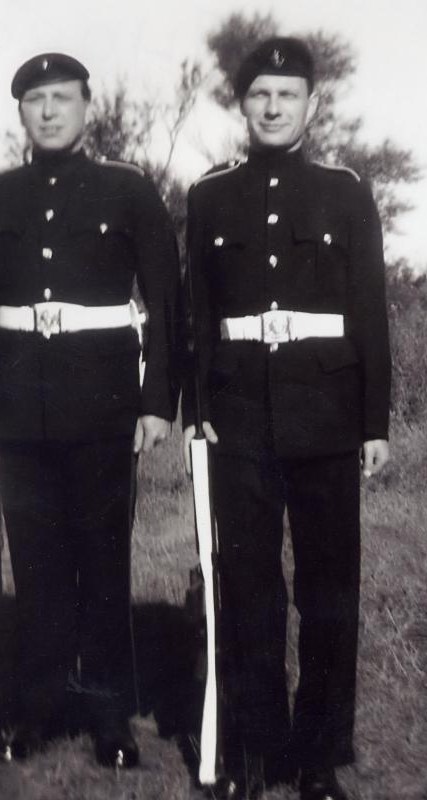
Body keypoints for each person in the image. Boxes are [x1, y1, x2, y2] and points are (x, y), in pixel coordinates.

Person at [0, 52, 181, 766]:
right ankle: (38, 712)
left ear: (89, 106)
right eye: (35, 100)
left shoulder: (127, 191)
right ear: (20, 112)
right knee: (39, 566)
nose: (48, 111)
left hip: (104, 403)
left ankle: (110, 720)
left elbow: (166, 306)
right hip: (18, 407)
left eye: (62, 98)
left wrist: (156, 402)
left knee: (103, 563)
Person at [183, 37, 390, 800]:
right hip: (236, 417)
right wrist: (196, 407)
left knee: (328, 589)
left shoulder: (342, 191)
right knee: (247, 586)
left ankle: (317, 755)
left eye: (286, 95)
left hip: (328, 414)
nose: (271, 107)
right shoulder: (209, 195)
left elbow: (368, 310)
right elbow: (197, 314)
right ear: (242, 105)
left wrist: (374, 423)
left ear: (309, 104)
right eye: (259, 95)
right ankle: (254, 750)